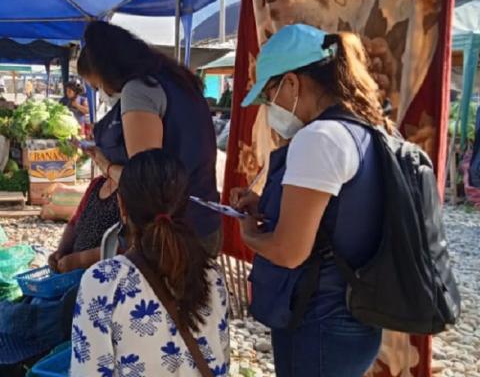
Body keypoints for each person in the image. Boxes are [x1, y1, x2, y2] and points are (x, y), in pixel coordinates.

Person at [230, 24, 387, 376]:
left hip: (319, 322)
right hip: (355, 318)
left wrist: (250, 235)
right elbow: (337, 219)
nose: (269, 109)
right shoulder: (361, 128)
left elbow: (289, 251)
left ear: (291, 83)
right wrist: (265, 206)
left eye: (269, 95)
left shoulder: (318, 139)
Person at [70, 149, 229, 376]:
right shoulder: (212, 275)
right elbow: (221, 361)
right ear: (185, 206)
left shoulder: (103, 282)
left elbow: (88, 371)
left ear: (122, 206)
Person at [77, 21, 222, 256]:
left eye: (97, 86)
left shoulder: (139, 90)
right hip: (205, 221)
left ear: (108, 71)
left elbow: (146, 183)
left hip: (171, 237)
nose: (101, 92)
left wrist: (107, 166)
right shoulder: (179, 81)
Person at [48, 175, 119, 273]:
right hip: (75, 271)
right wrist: (61, 252)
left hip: (104, 274)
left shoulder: (129, 190)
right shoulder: (97, 183)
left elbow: (125, 246)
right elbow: (75, 221)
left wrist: (80, 260)